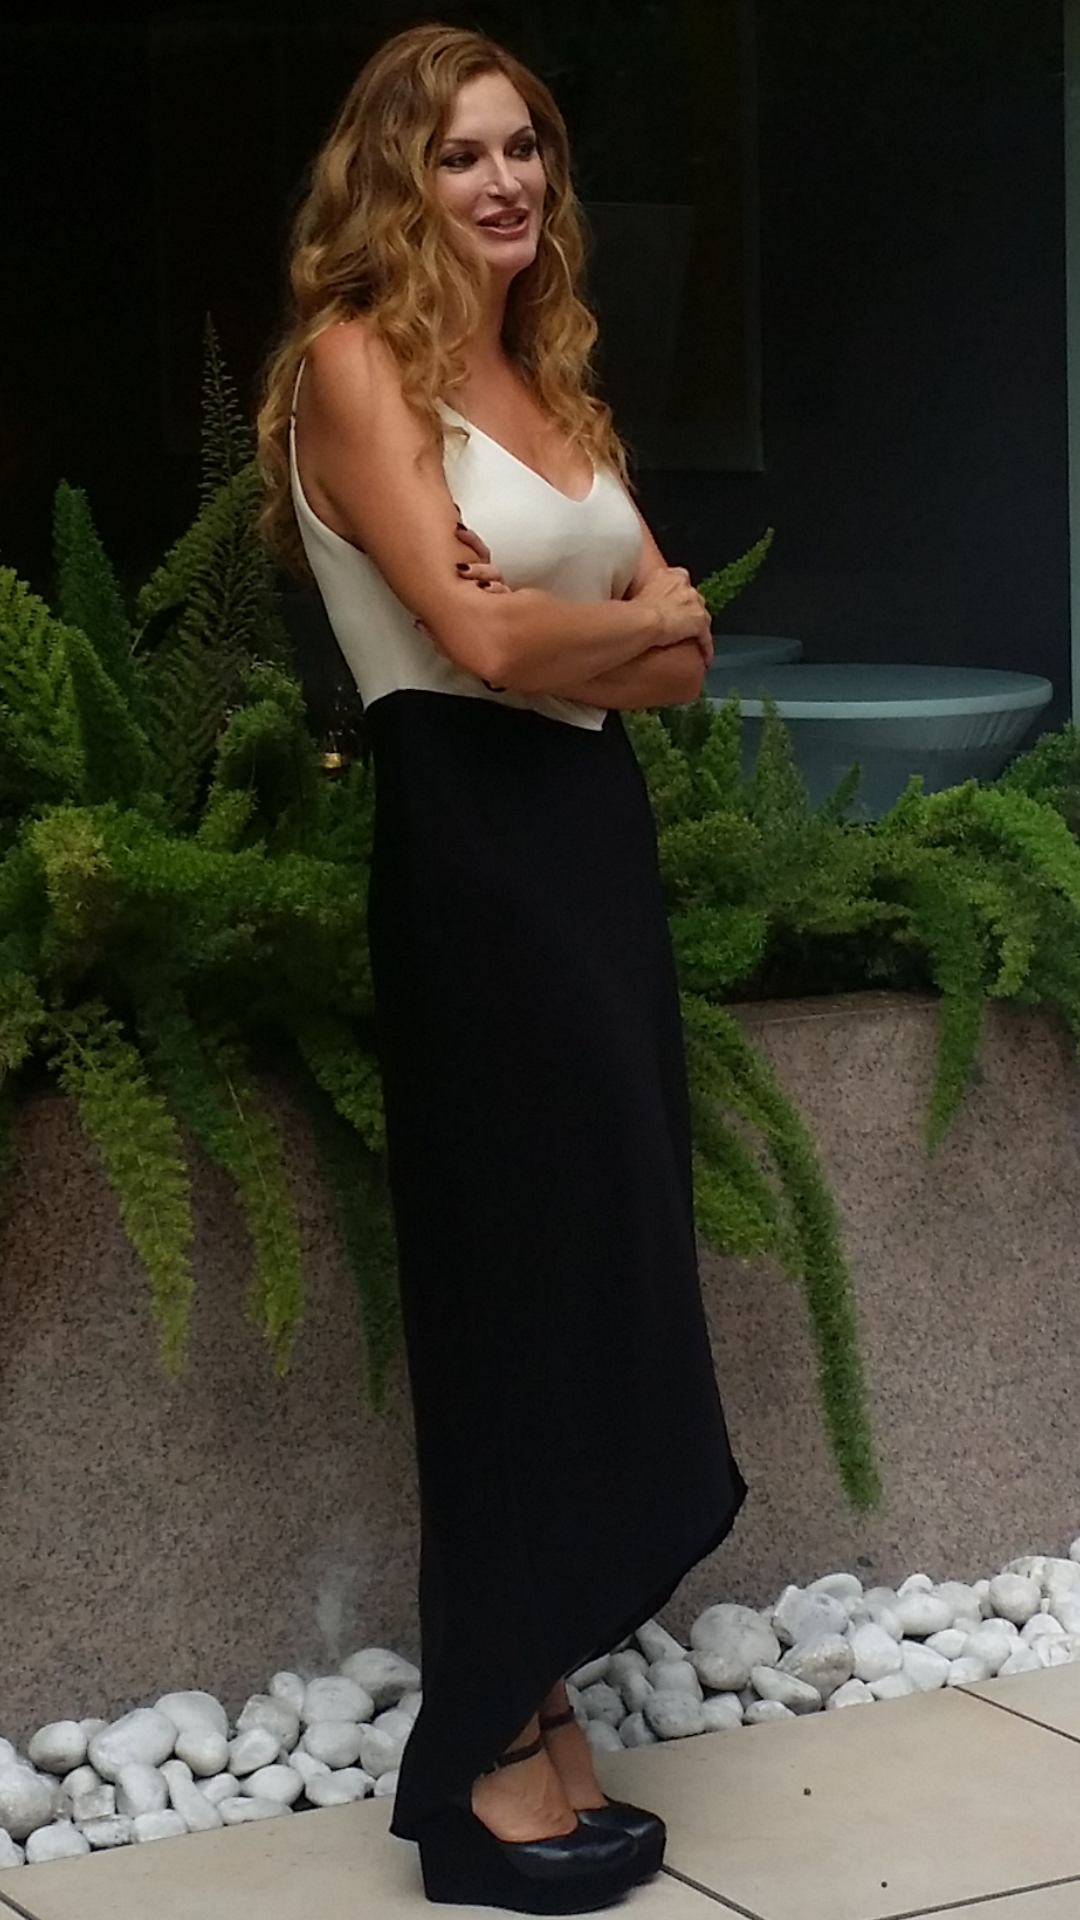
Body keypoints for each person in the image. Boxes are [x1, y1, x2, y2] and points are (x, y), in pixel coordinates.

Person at [257, 22, 747, 1913]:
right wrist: (603, 625)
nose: (507, 181)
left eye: (525, 146)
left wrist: (595, 632)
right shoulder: (351, 364)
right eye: (463, 153)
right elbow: (475, 648)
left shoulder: (547, 380)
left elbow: (683, 656)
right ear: (398, 175)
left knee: (602, 1266)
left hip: (590, 853)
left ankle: (534, 1700)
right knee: (514, 1287)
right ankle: (473, 1765)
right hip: (471, 852)